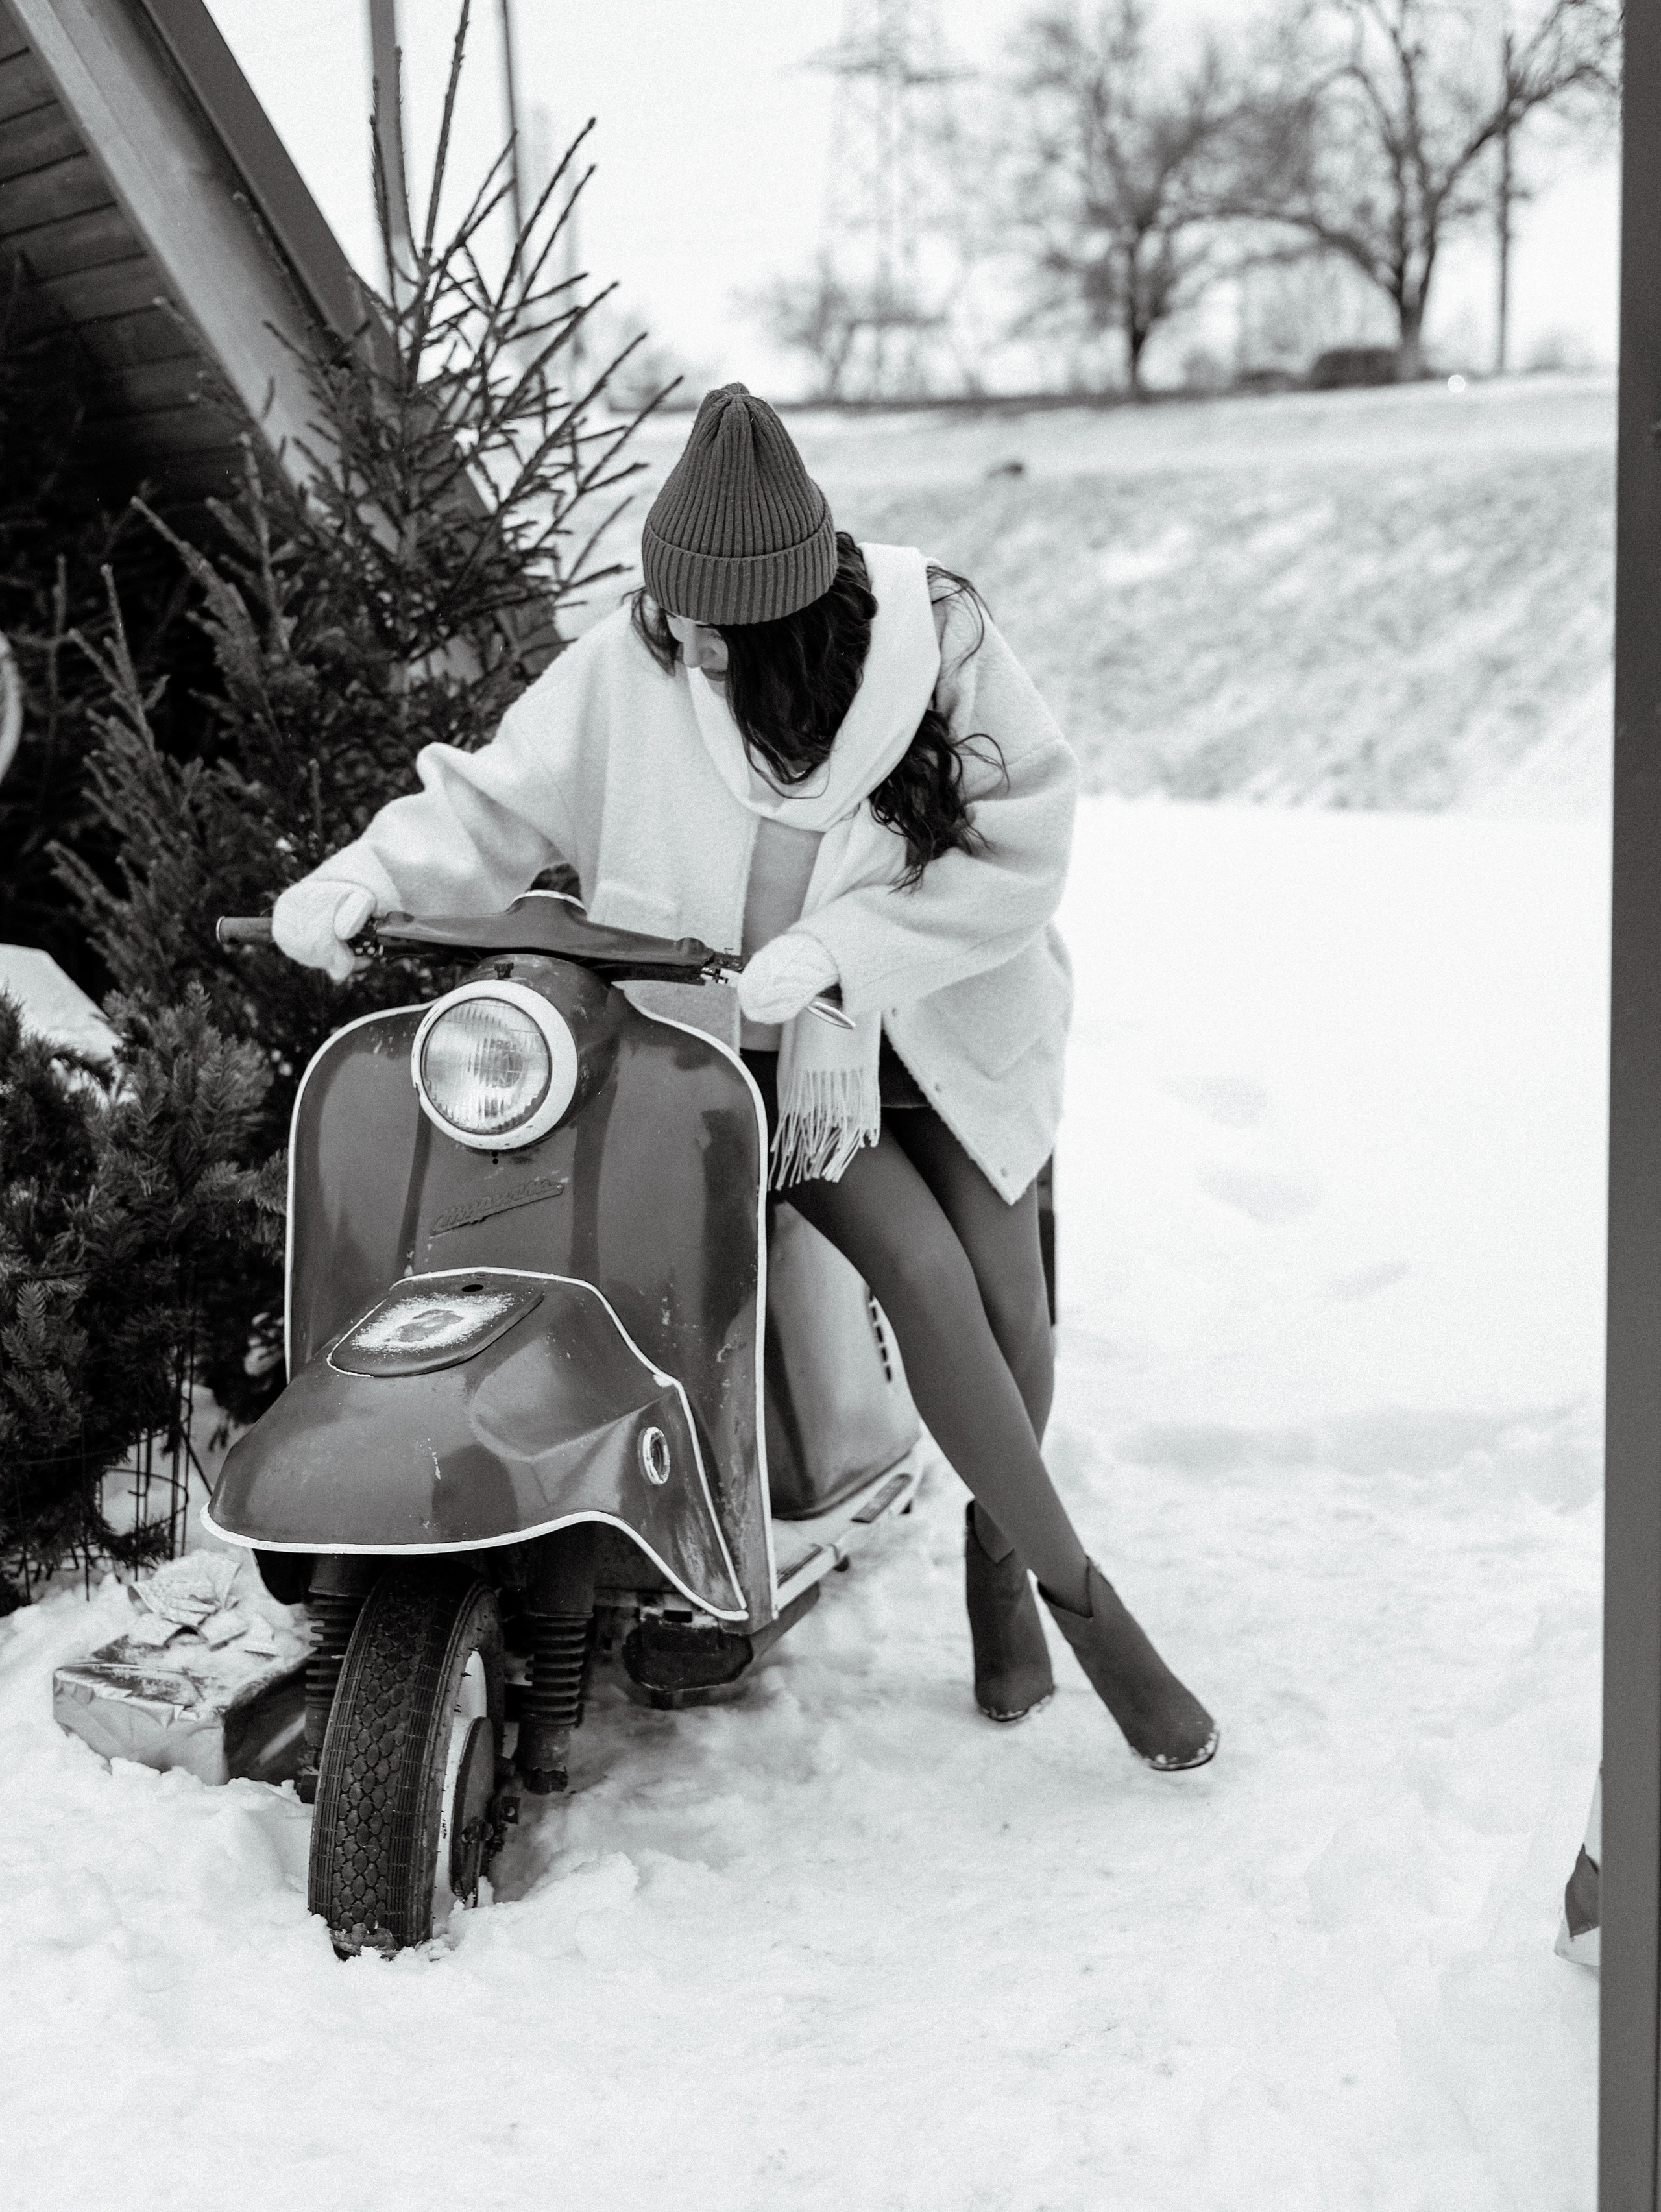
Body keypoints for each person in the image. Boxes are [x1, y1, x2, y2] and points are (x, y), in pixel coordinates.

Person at [272, 383, 1217, 1771]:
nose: (687, 642)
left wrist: (841, 947)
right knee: (926, 1277)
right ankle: (1094, 1613)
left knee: (1017, 1318)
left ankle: (997, 1557)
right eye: (673, 611)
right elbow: (493, 796)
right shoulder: (636, 659)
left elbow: (1025, 844)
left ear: (796, 614)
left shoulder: (934, 638)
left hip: (947, 1021)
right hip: (770, 1068)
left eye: (719, 624)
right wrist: (364, 872)